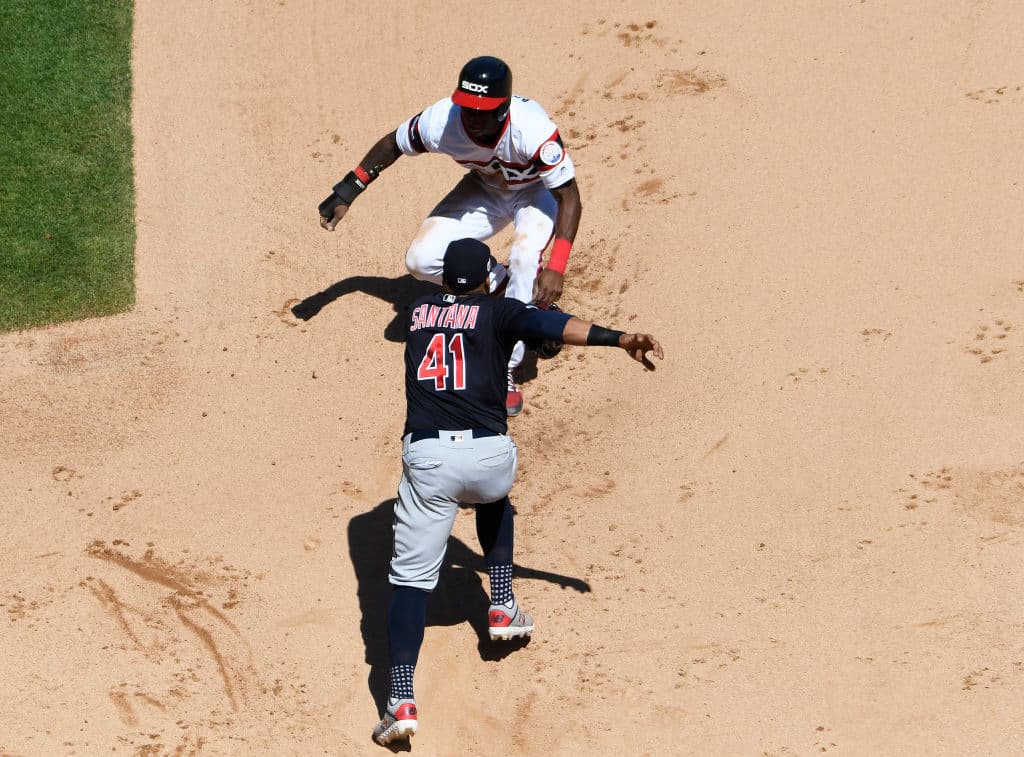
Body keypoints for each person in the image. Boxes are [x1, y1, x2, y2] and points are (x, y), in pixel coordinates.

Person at [372, 238, 663, 746]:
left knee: (411, 583)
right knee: (493, 496)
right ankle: (502, 602)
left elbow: (456, 317)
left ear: (444, 279)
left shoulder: (417, 314)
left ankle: (401, 702)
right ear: (488, 278)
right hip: (488, 458)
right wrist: (619, 339)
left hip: (429, 459)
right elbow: (555, 327)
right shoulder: (499, 312)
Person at [319, 55, 583, 417]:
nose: (470, 116)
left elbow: (570, 197)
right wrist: (350, 188)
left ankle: (504, 367)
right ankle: (511, 292)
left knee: (525, 258)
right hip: (485, 190)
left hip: (535, 194)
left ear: (502, 109)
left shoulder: (532, 130)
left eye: (481, 110)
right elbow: (393, 143)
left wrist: (556, 266)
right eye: (466, 106)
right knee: (420, 259)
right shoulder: (443, 120)